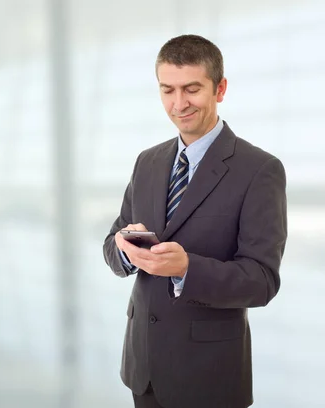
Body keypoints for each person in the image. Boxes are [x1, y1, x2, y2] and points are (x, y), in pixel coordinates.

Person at [102, 34, 287, 408]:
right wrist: (125, 250)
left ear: (220, 89)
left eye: (191, 89)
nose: (178, 103)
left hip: (209, 374)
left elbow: (262, 281)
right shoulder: (147, 161)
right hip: (145, 367)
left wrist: (187, 268)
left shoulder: (259, 170)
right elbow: (112, 242)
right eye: (167, 90)